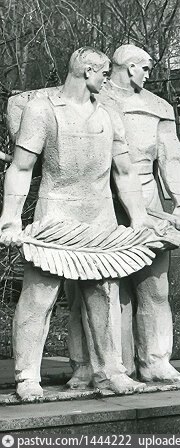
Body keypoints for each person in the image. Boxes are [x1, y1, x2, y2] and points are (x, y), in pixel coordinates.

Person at [0, 47, 154, 401]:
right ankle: (27, 375)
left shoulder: (109, 113)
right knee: (39, 297)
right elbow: (21, 168)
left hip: (99, 218)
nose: (107, 81)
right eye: (103, 74)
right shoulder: (42, 109)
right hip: (55, 215)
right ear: (87, 71)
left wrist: (140, 217)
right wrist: (10, 219)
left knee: (103, 295)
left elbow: (124, 171)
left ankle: (109, 371)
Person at [66, 44, 180, 386]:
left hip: (148, 200)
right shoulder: (91, 96)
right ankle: (92, 367)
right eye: (146, 68)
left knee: (155, 287)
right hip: (100, 201)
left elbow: (171, 158)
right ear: (128, 67)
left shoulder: (158, 107)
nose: (149, 74)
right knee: (95, 289)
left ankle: (156, 361)